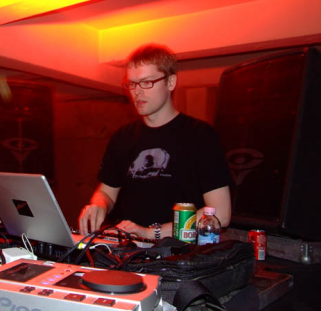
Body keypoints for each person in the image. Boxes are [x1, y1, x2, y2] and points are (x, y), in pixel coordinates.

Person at [78, 44, 232, 240]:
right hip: (129, 249)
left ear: (170, 82)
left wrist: (151, 233)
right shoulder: (122, 137)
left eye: (146, 82)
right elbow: (107, 192)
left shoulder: (200, 135)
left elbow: (221, 213)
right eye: (132, 84)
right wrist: (98, 205)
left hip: (180, 252)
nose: (137, 91)